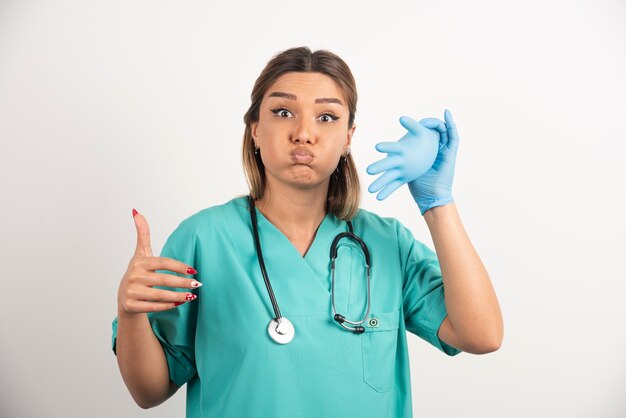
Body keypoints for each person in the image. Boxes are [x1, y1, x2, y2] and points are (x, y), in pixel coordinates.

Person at [112, 46, 503, 417]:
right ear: (255, 130)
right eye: (282, 112)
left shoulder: (388, 244)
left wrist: (437, 204)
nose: (303, 133)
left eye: (327, 117)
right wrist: (129, 313)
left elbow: (481, 335)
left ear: (348, 137)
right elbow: (149, 391)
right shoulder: (204, 240)